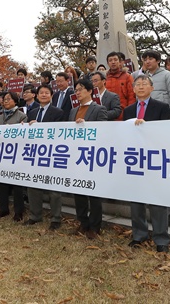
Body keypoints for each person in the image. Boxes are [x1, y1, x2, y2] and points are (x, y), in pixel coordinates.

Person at [124, 74, 170, 252]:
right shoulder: (128, 110)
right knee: (136, 200)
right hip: (135, 159)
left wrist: (147, 127)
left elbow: (167, 132)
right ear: (134, 89)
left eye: (145, 84)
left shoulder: (162, 108)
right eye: (138, 84)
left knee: (157, 200)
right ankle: (139, 235)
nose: (141, 86)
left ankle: (161, 239)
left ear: (152, 88)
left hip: (155, 158)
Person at [69, 78, 108, 239]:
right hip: (77, 156)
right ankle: (83, 222)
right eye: (76, 90)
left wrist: (88, 125)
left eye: (81, 89)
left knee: (93, 193)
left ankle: (95, 226)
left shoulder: (100, 109)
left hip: (92, 156)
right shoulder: (72, 111)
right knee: (78, 191)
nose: (77, 92)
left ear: (90, 91)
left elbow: (105, 131)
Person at [25, 84, 65, 230]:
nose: (43, 95)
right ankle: (35, 215)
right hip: (35, 153)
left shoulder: (58, 112)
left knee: (54, 189)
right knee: (33, 185)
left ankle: (55, 218)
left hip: (51, 153)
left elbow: (58, 132)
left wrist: (40, 126)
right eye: (41, 93)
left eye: (46, 93)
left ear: (51, 96)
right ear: (36, 96)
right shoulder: (32, 113)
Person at [0, 91, 27, 221]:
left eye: (8, 99)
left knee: (17, 185)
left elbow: (24, 135)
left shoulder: (22, 116)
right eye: (4, 99)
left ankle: (19, 212)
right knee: (1, 183)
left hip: (16, 155)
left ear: (15, 101)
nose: (5, 101)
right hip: (2, 154)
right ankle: (3, 209)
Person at [132, 50, 170, 119]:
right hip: (145, 112)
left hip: (162, 113)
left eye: (150, 59)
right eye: (145, 60)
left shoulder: (168, 75)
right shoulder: (142, 77)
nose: (147, 62)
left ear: (158, 61)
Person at [105, 51, 135, 118]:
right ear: (107, 63)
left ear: (119, 62)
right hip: (107, 114)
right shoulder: (104, 78)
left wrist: (130, 111)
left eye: (115, 60)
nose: (113, 62)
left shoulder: (127, 77)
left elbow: (131, 96)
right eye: (110, 60)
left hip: (123, 113)